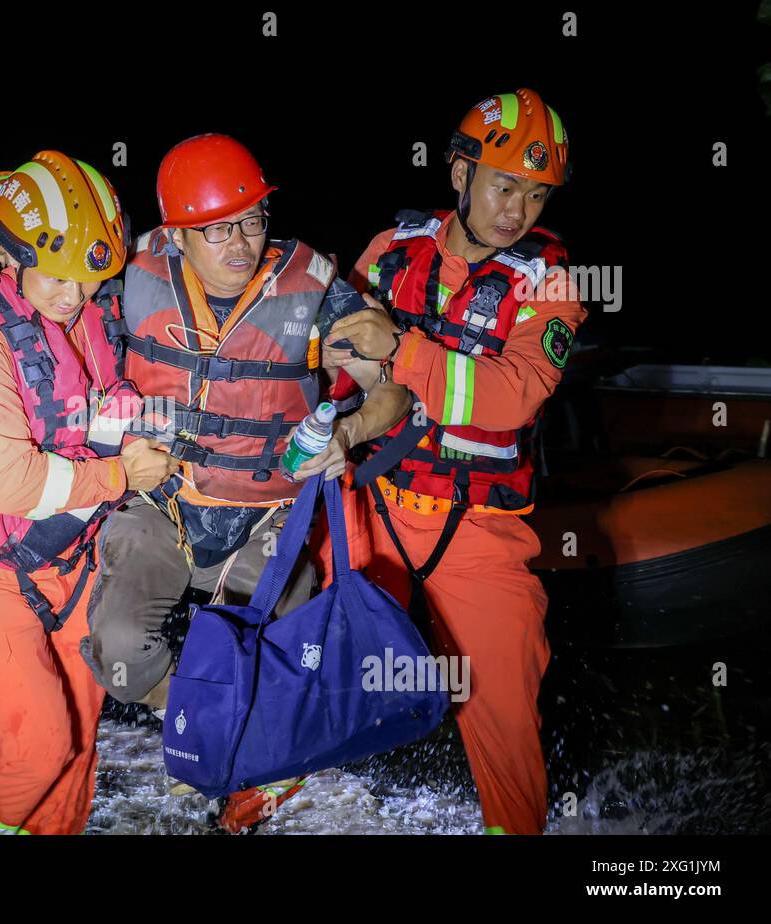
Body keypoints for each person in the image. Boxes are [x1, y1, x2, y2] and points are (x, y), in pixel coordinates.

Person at [81, 133, 411, 830]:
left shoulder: (312, 285)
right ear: (176, 234)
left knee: (278, 662)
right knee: (115, 651)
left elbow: (393, 390)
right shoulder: (130, 277)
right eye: (218, 229)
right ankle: (196, 714)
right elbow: (58, 335)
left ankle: (260, 768)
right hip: (165, 503)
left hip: (267, 515)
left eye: (253, 220)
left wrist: (348, 432)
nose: (241, 242)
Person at [0, 151, 177, 834]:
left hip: (71, 563)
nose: (75, 296)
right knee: (37, 745)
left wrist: (150, 426)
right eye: (59, 277)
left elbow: (108, 401)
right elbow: (13, 482)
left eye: (89, 280)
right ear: (11, 258)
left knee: (77, 746)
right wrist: (121, 474)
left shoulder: (79, 314)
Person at [331, 89, 585, 834]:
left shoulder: (555, 285)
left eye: (536, 194)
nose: (518, 209)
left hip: (476, 528)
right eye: (505, 184)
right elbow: (336, 362)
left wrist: (400, 349)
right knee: (310, 654)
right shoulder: (390, 249)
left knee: (502, 695)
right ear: (459, 173)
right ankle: (258, 798)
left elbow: (509, 395)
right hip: (372, 502)